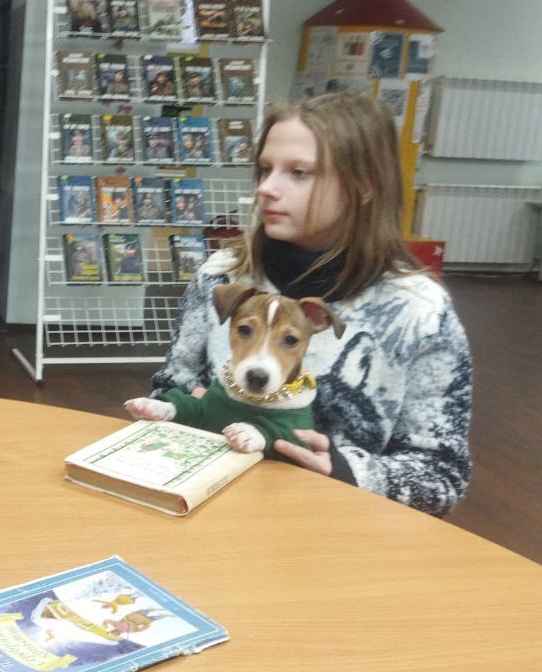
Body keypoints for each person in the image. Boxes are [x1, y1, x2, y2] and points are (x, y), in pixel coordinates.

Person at [125, 92, 472, 516]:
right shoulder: (221, 275)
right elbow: (171, 386)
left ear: (363, 186)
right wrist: (182, 406)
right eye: (265, 169)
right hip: (211, 508)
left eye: (299, 173)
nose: (266, 188)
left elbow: (441, 474)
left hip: (334, 527)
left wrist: (345, 469)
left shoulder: (420, 311)